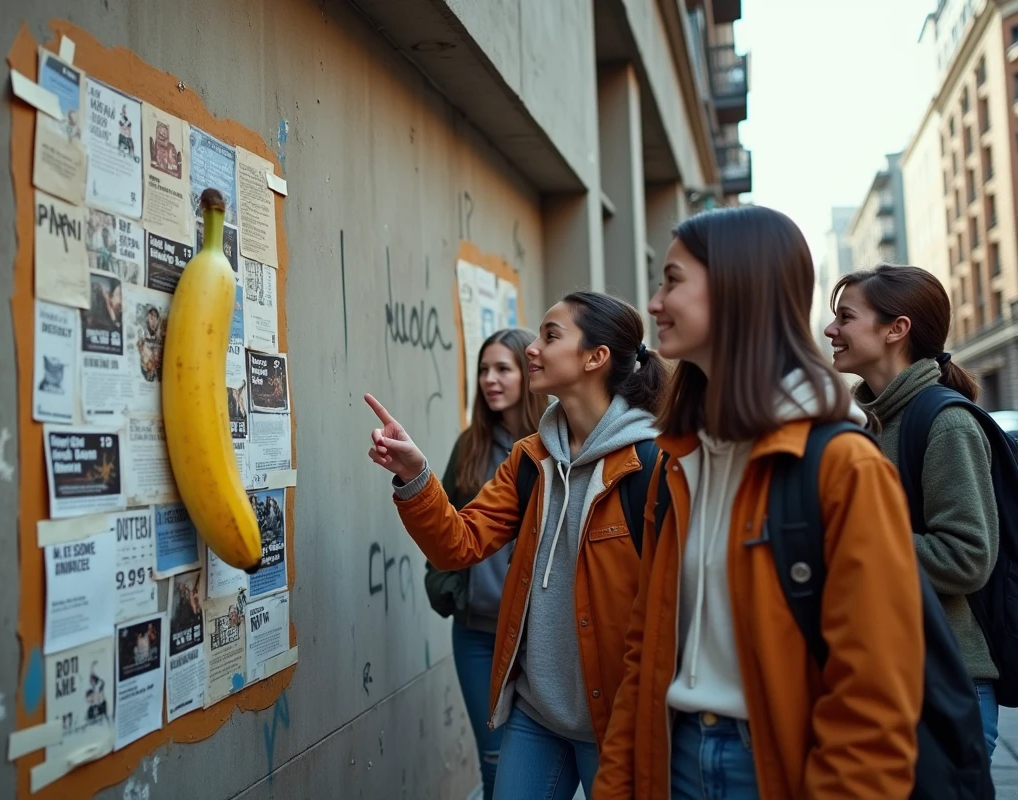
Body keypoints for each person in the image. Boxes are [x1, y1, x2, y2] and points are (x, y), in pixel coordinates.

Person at [593, 206, 925, 799]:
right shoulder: (679, 458)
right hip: (672, 757)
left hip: (776, 769)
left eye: (672, 280)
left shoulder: (843, 465)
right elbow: (644, 649)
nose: (654, 303)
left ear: (737, 288)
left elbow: (872, 701)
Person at [366, 291, 668, 799]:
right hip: (535, 714)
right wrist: (416, 474)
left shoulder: (654, 464)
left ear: (596, 358)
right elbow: (457, 546)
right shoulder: (530, 460)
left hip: (619, 720)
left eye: (550, 336)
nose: (533, 348)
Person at [825, 263, 1000, 756]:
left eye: (846, 317)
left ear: (896, 329)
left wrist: (849, 540)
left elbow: (967, 557)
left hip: (938, 685)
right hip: (882, 674)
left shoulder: (945, 423)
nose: (830, 329)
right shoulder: (870, 423)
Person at [423, 327, 547, 799]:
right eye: (483, 370)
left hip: (537, 637)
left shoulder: (553, 447)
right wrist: (450, 589)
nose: (490, 380)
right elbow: (445, 527)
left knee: (533, 760)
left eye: (503, 368)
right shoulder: (470, 445)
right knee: (493, 761)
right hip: (477, 634)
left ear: (528, 371)